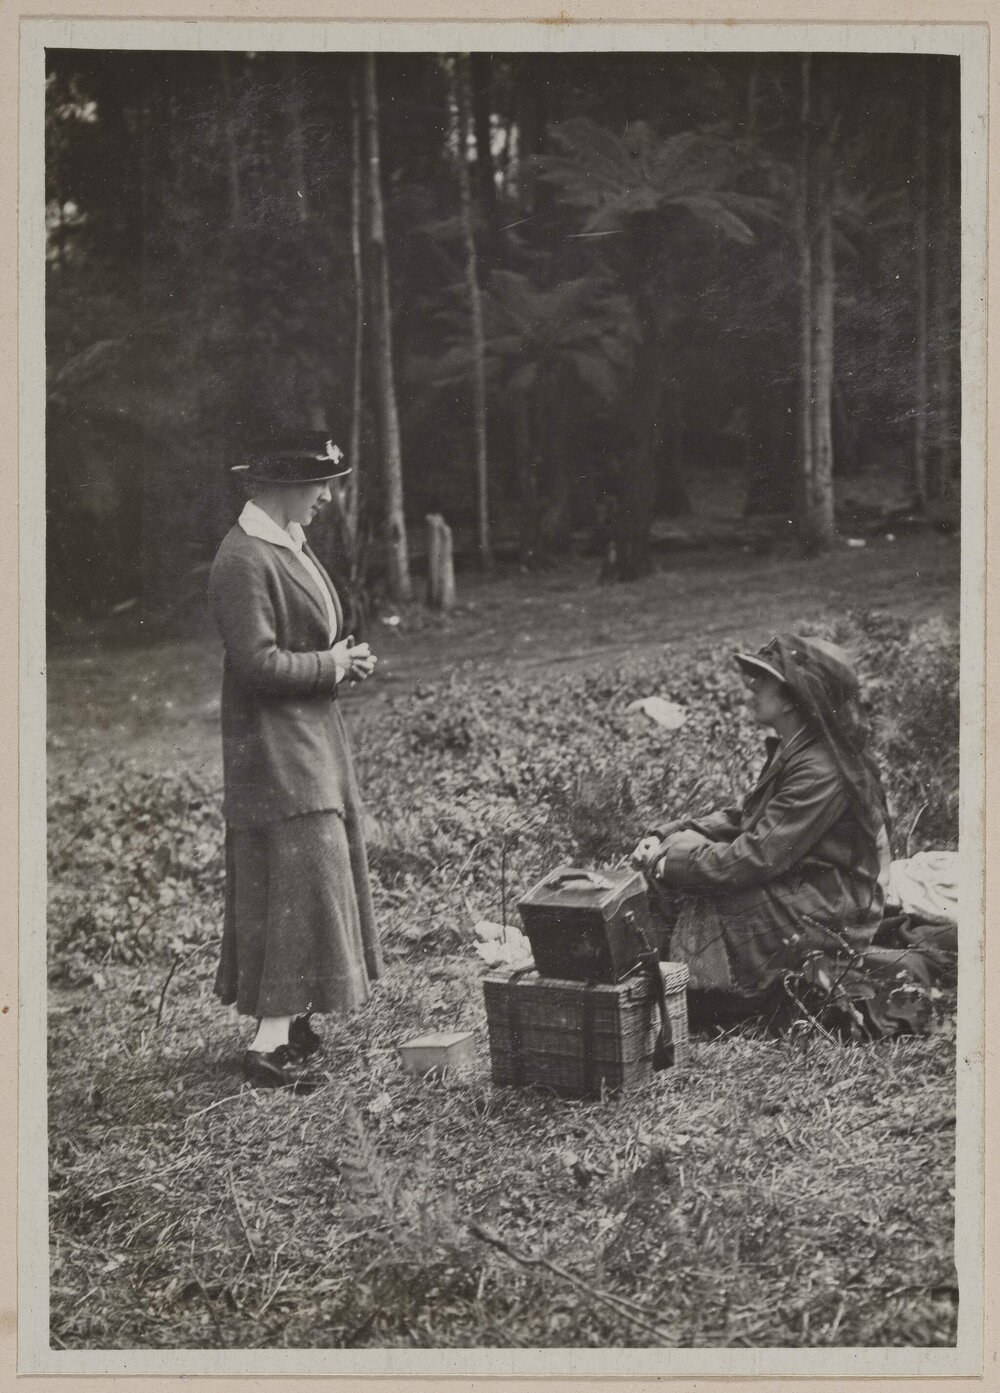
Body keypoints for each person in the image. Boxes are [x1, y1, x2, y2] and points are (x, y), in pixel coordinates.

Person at [208, 431, 383, 1089]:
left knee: (318, 865)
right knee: (296, 865)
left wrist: (339, 662)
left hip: (308, 730)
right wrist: (330, 664)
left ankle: (299, 1012)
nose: (327, 496)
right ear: (283, 486)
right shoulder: (242, 560)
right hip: (273, 744)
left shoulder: (285, 542)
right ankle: (268, 1042)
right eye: (320, 483)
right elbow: (255, 662)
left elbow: (302, 634)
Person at [632, 634, 890, 1024]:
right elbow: (744, 818)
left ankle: (698, 997)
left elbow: (754, 857)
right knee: (689, 858)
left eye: (762, 680)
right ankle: (666, 983)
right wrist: (667, 833)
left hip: (830, 910)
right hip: (804, 886)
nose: (750, 686)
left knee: (707, 893)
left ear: (790, 698)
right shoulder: (800, 750)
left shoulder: (820, 769)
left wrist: (669, 863)